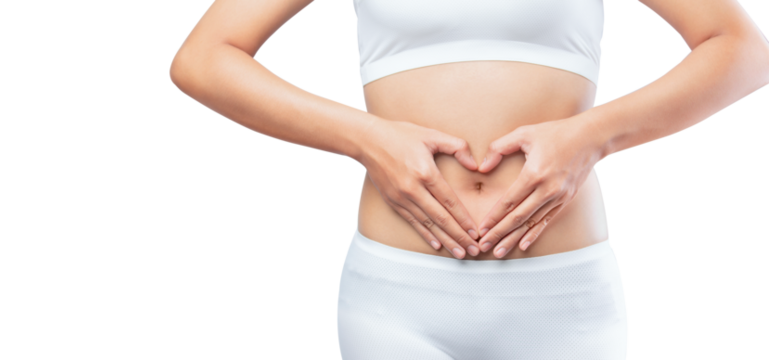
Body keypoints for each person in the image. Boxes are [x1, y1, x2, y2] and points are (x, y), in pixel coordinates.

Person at [169, 1, 769, 358]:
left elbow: (744, 50)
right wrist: (366, 139)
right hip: (399, 301)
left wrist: (592, 135)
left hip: (563, 302)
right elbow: (203, 59)